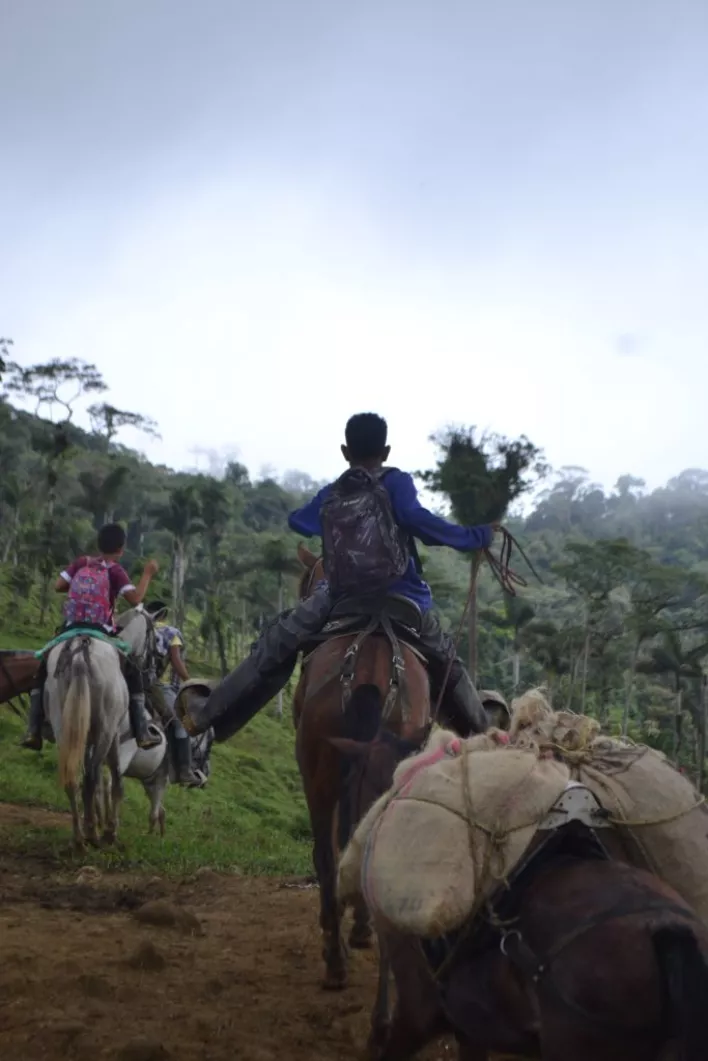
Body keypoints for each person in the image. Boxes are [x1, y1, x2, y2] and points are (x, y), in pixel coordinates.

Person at [183, 412, 496, 742]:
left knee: (275, 645)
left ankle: (203, 715)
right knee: (445, 658)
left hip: (338, 595)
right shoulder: (396, 482)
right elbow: (419, 522)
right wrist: (477, 537)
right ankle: (485, 731)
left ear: (345, 452)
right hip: (402, 596)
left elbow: (298, 523)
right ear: (386, 451)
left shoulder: (333, 492)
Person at [21, 523, 161, 752]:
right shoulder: (115, 570)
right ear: (121, 549)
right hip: (101, 632)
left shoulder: (81, 563)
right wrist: (147, 574)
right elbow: (136, 599)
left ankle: (33, 729)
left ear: (98, 544)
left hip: (70, 629)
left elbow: (58, 586)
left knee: (43, 669)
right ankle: (142, 731)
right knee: (133, 670)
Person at [144, 600, 203, 788]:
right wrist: (188, 680)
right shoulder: (171, 633)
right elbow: (176, 660)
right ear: (164, 615)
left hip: (138, 683)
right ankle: (185, 771)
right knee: (182, 724)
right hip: (162, 687)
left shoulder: (141, 630)